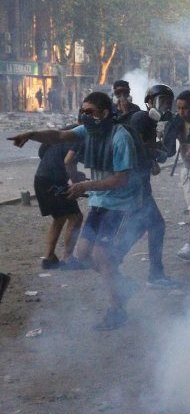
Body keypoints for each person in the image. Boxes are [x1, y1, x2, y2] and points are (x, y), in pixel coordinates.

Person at [8, 92, 141, 331]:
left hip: (121, 206)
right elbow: (59, 136)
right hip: (100, 203)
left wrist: (85, 186)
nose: (84, 116)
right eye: (83, 111)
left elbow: (122, 179)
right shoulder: (87, 131)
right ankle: (123, 285)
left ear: (104, 113)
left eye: (89, 112)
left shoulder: (120, 138)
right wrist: (32, 134)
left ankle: (117, 310)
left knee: (102, 257)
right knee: (81, 254)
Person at [110, 110, 178, 289]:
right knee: (154, 226)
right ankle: (152, 274)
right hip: (136, 195)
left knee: (140, 228)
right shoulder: (133, 145)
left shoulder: (135, 143)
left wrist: (154, 154)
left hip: (139, 194)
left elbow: (158, 162)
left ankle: (112, 262)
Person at [33, 125, 83, 269]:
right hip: (53, 182)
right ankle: (68, 259)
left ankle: (49, 257)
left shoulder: (60, 136)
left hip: (41, 179)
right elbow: (68, 161)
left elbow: (43, 153)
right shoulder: (78, 138)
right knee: (76, 217)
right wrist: (76, 182)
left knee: (60, 217)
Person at [163, 90, 190, 261]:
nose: (181, 112)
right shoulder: (177, 122)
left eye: (185, 108)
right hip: (187, 171)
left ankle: (189, 245)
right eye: (179, 108)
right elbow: (169, 148)